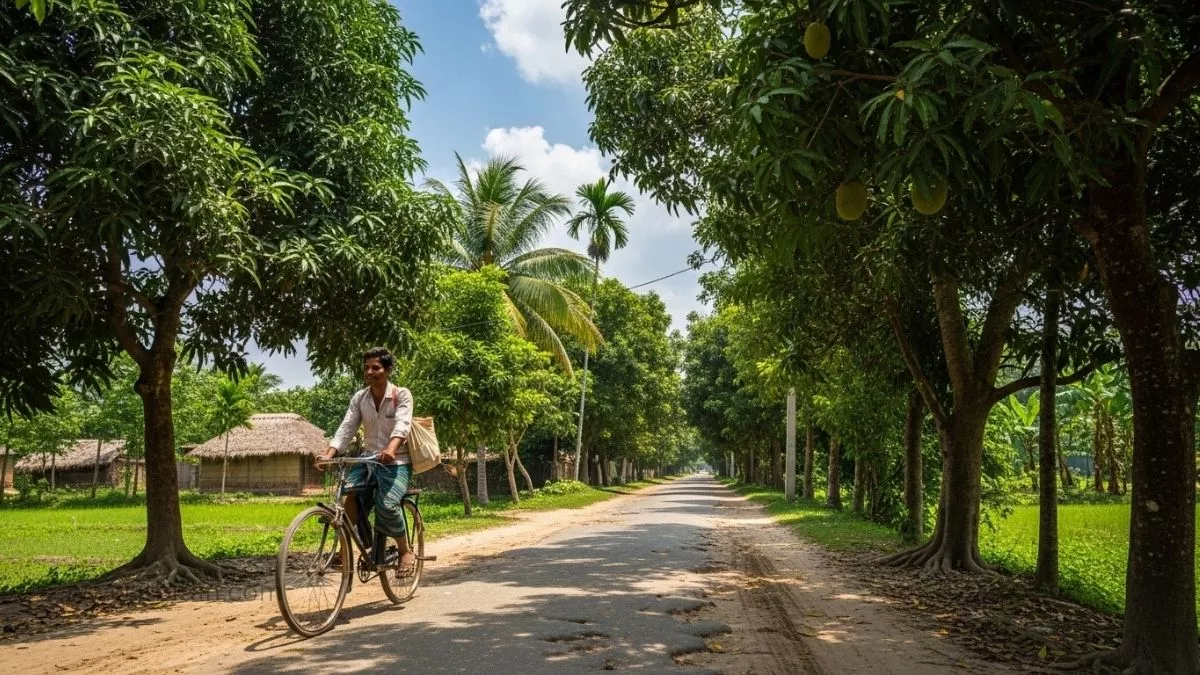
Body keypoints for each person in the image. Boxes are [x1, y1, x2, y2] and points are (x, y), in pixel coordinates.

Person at [318, 347, 416, 576]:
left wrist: (391, 449)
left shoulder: (401, 395)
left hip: (397, 462)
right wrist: (329, 454)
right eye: (366, 368)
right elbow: (347, 427)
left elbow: (403, 424)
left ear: (388, 370)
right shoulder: (360, 398)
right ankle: (345, 552)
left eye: (375, 368)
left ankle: (405, 551)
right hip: (368, 459)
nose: (369, 372)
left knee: (388, 504)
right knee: (349, 495)